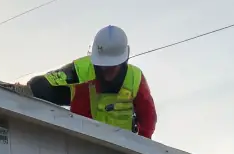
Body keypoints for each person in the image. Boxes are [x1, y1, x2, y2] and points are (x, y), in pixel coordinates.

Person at [25, 25, 157, 138]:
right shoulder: (82, 69)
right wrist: (32, 88)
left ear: (123, 61)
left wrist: (141, 147)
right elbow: (45, 84)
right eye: (103, 65)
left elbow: (148, 117)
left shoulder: (135, 78)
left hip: (123, 147)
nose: (106, 71)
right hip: (84, 142)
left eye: (111, 66)